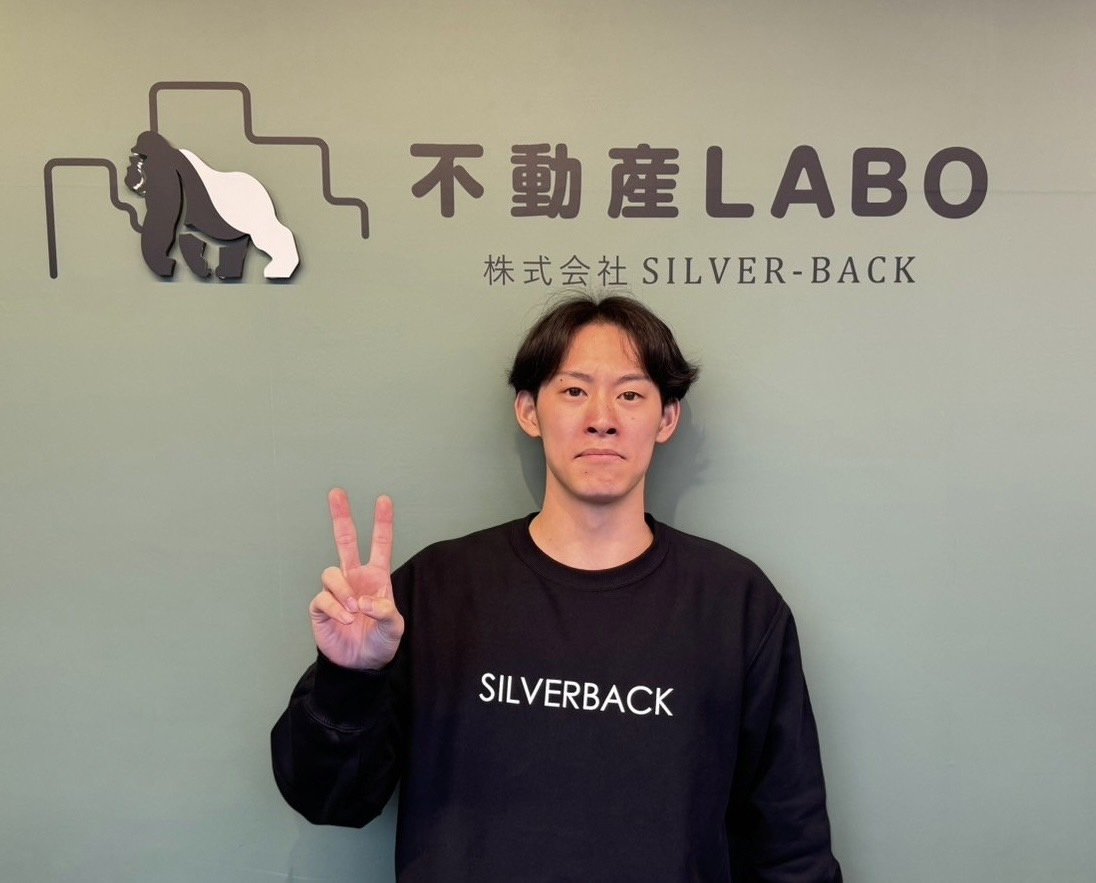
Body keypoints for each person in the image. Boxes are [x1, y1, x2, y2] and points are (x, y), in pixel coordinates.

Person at [271, 294, 842, 882]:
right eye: (573, 391)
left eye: (630, 395)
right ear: (529, 410)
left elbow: (790, 846)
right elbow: (328, 799)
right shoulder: (438, 589)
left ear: (666, 419)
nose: (602, 418)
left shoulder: (735, 604)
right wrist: (350, 679)